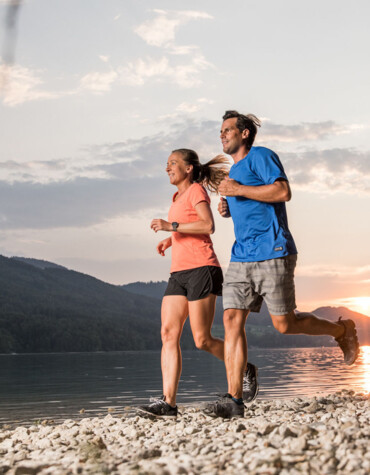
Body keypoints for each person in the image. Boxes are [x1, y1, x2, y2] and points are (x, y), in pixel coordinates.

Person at [205, 110, 360, 419]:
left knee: (285, 324)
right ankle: (234, 400)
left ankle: (342, 330)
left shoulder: (261, 156)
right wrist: (229, 207)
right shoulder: (233, 171)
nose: (222, 135)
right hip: (241, 256)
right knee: (232, 320)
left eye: (228, 130)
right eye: (220, 131)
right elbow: (250, 204)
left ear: (244, 133)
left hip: (274, 251)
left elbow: (282, 191)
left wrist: (238, 191)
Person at [138, 148, 259, 418]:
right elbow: (188, 226)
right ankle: (168, 404)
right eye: (166, 164)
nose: (167, 168)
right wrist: (171, 239)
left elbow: (207, 225)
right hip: (178, 273)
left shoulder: (196, 191)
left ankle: (245, 368)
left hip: (202, 268)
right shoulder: (177, 196)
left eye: (173, 163)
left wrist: (172, 227)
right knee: (168, 334)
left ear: (189, 168)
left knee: (202, 339)